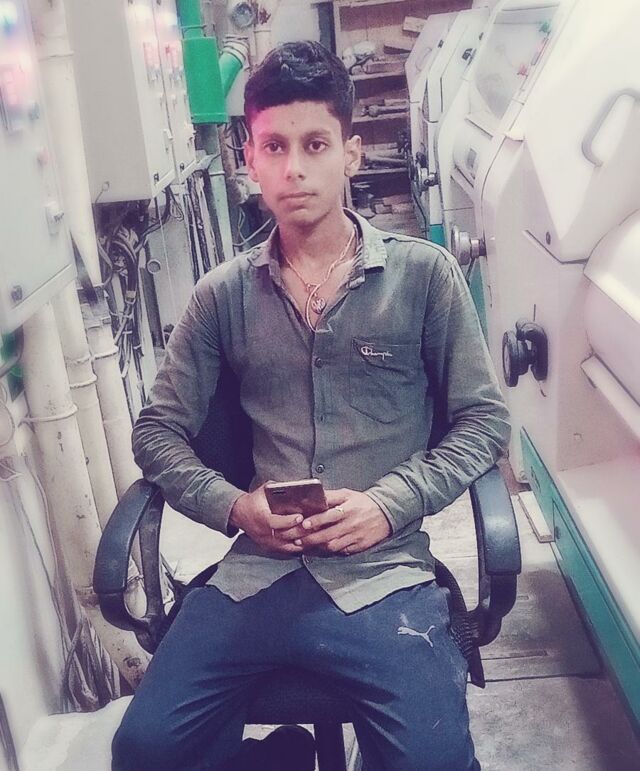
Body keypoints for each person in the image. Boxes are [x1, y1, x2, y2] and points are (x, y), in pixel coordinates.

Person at [111, 41, 510, 771]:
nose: (294, 167)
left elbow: (483, 422)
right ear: (249, 158)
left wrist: (388, 504)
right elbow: (157, 433)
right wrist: (236, 507)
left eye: (315, 144)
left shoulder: (423, 277)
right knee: (144, 751)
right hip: (255, 576)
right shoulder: (221, 296)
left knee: (432, 762)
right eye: (274, 146)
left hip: (384, 576)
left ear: (350, 153)